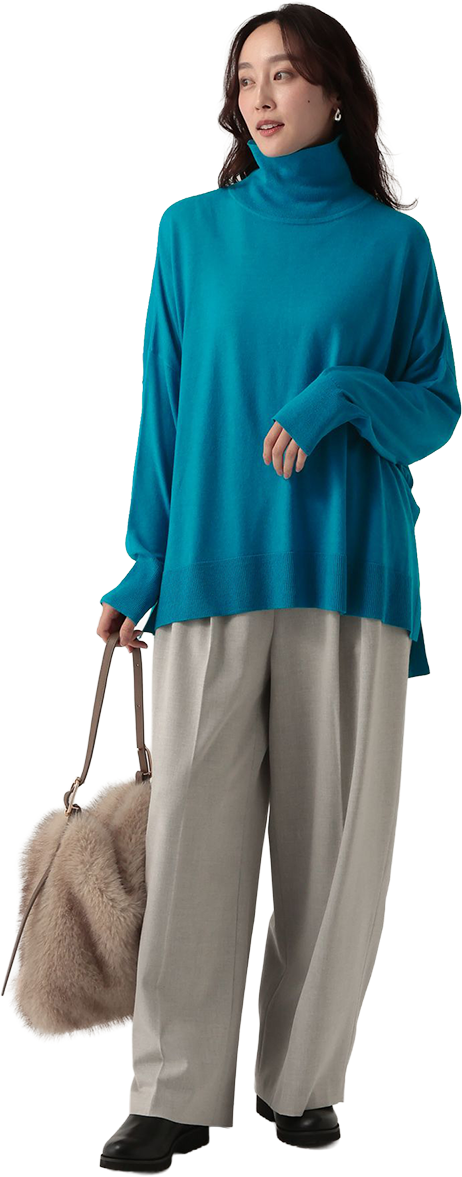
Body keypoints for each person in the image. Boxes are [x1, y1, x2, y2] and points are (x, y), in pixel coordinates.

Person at [98, 5, 460, 1169]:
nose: (262, 96)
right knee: (195, 839)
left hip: (351, 574)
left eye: (288, 74)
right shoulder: (192, 234)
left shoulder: (392, 248)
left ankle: (298, 1086)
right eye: (247, 76)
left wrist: (342, 391)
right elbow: (164, 411)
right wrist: (146, 562)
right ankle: (174, 1091)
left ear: (336, 96)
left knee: (332, 848)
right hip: (210, 566)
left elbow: (436, 408)